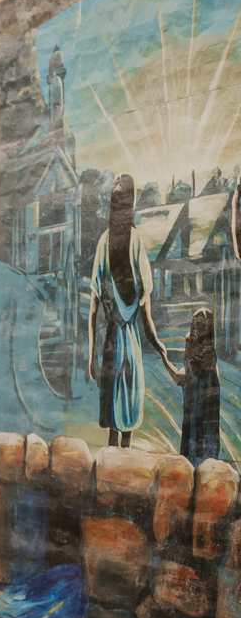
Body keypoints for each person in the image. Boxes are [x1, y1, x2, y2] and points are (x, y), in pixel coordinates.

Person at [87, 172, 180, 446]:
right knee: (127, 420)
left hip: (110, 346)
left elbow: (93, 311)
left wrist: (90, 356)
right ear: (132, 205)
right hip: (131, 346)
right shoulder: (137, 243)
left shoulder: (103, 242)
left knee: (111, 427)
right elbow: (147, 316)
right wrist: (162, 350)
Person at [170, 308, 221, 465]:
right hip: (207, 423)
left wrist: (164, 357)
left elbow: (179, 378)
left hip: (193, 419)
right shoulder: (211, 358)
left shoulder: (192, 359)